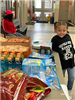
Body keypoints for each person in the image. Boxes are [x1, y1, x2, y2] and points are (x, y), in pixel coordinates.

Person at [51, 21, 74, 100]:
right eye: (59, 30)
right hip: (61, 63)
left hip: (70, 62)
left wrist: (73, 52)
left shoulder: (68, 36)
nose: (61, 32)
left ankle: (69, 90)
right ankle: (63, 91)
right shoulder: (54, 39)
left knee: (72, 77)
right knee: (61, 78)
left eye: (64, 30)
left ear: (67, 30)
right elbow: (52, 50)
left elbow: (71, 46)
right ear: (55, 30)